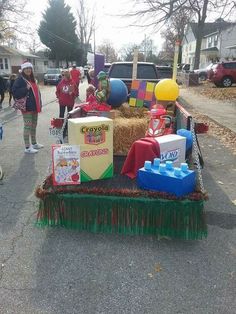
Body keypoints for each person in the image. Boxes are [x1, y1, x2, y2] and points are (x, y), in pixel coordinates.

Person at [12, 61, 43, 154]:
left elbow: (37, 93)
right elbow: (14, 92)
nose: (28, 70)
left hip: (34, 106)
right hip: (26, 107)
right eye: (26, 69)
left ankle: (34, 143)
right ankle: (27, 147)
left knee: (34, 126)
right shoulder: (20, 79)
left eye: (29, 68)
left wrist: (39, 104)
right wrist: (26, 89)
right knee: (28, 127)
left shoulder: (33, 79)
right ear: (23, 70)